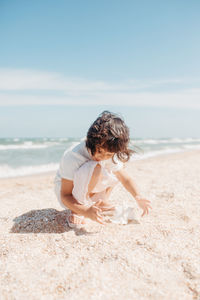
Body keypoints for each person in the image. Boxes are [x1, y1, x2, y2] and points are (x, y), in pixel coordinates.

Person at [54, 111, 152, 228]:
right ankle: (77, 210)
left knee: (116, 167)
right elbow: (65, 195)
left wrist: (138, 196)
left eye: (108, 154)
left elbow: (125, 179)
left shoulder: (110, 152)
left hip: (89, 188)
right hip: (69, 196)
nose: (102, 156)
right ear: (92, 141)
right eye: (99, 151)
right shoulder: (73, 156)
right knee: (96, 166)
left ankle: (101, 202)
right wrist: (85, 211)